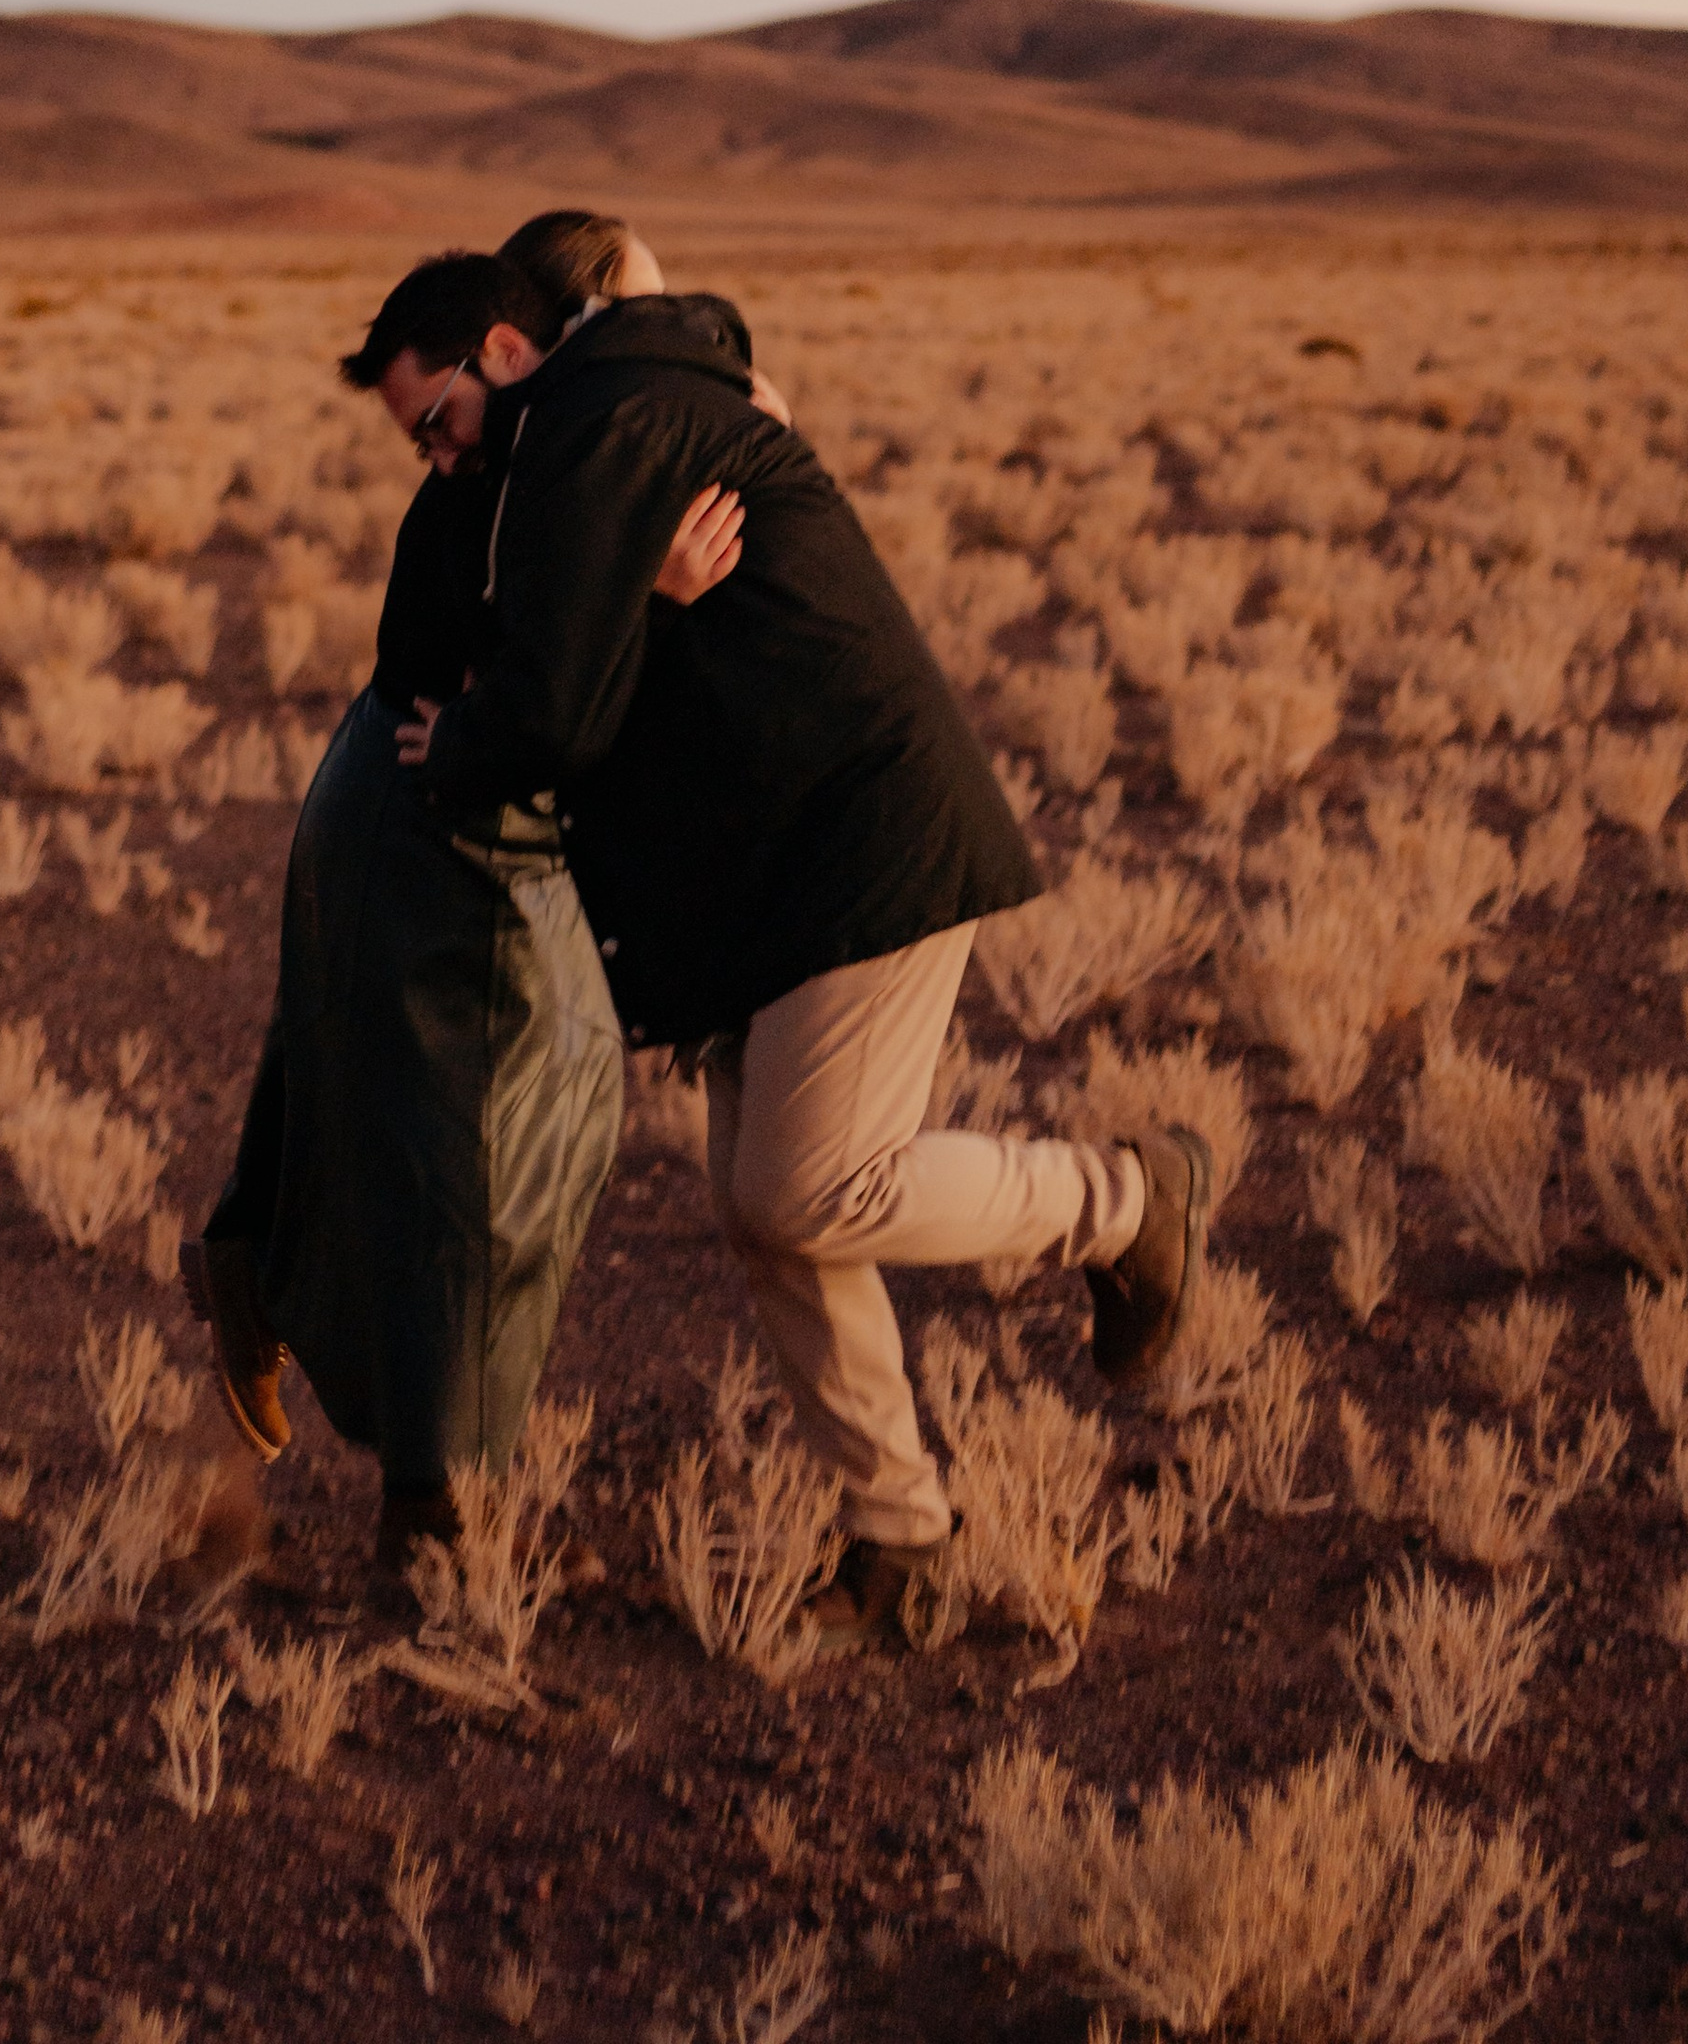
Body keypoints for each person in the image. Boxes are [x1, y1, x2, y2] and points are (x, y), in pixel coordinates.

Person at [345, 254, 1212, 1650]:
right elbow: (487, 643)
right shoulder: (575, 440)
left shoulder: (608, 423)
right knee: (769, 1212)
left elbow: (549, 704)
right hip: (770, 871)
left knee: (815, 1189)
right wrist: (612, 607)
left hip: (859, 841)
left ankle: (1128, 1200)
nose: (439, 459)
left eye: (438, 421)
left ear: (504, 349)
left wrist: (470, 737)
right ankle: (901, 1538)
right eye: (418, 445)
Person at [182, 216, 748, 1582]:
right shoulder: (535, 463)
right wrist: (658, 595)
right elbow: (550, 688)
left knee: (383, 1083)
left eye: (437, 421)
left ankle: (258, 1274)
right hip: (436, 813)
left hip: (384, 791)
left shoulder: (544, 444)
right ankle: (435, 1515)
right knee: (485, 1151)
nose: (437, 452)